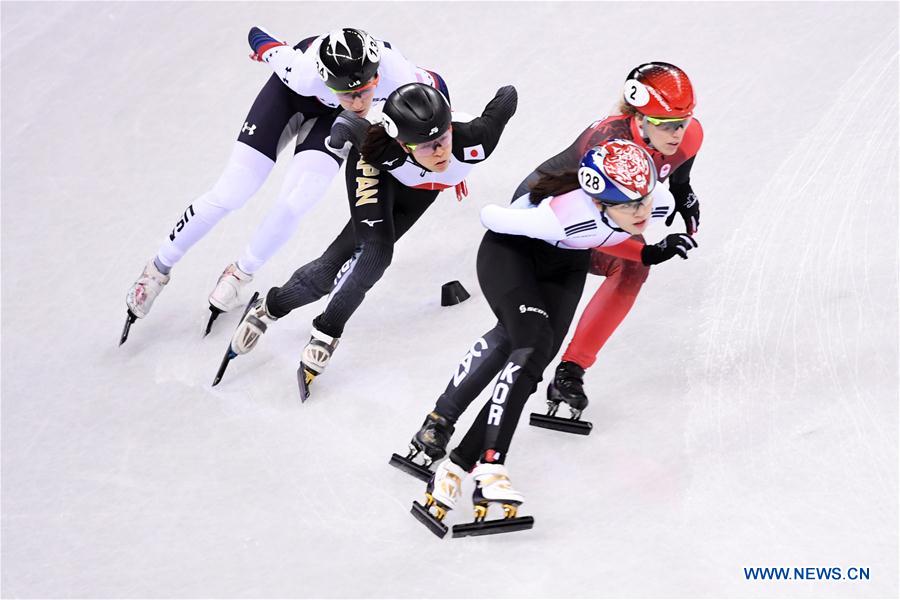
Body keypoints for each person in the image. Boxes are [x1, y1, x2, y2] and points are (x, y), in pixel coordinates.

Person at [404, 139, 697, 534]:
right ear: (598, 202)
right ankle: (491, 464)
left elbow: (621, 224)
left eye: (644, 200)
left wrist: (651, 251)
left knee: (532, 358)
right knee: (529, 339)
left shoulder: (649, 198)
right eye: (630, 206)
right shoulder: (563, 215)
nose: (643, 211)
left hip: (567, 264)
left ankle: (455, 467)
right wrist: (531, 206)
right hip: (512, 253)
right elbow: (492, 217)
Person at [122, 27, 443, 342]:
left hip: (331, 122)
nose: (359, 102)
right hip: (288, 98)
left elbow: (436, 97)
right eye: (349, 93)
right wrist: (266, 48)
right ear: (327, 81)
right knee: (232, 190)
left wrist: (448, 160)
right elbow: (258, 37)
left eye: (366, 90)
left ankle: (239, 273)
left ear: (377, 75)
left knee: (298, 200)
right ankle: (156, 270)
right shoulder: (302, 71)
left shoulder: (398, 73)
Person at [224, 82, 518, 394]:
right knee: (373, 254)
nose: (441, 151)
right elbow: (348, 124)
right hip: (376, 171)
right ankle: (324, 329)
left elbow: (507, 98)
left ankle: (271, 304)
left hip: (421, 191)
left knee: (340, 261)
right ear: (404, 145)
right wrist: (338, 134)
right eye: (427, 146)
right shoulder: (379, 144)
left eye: (443, 137)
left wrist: (499, 96)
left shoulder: (477, 139)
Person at [512, 62, 704, 420]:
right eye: (666, 125)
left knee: (633, 269)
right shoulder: (608, 146)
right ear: (640, 118)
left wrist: (685, 193)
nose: (677, 133)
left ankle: (571, 371)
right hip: (545, 217)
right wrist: (649, 251)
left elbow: (677, 175)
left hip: (599, 213)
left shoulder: (690, 137)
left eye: (683, 122)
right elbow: (589, 228)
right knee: (627, 262)